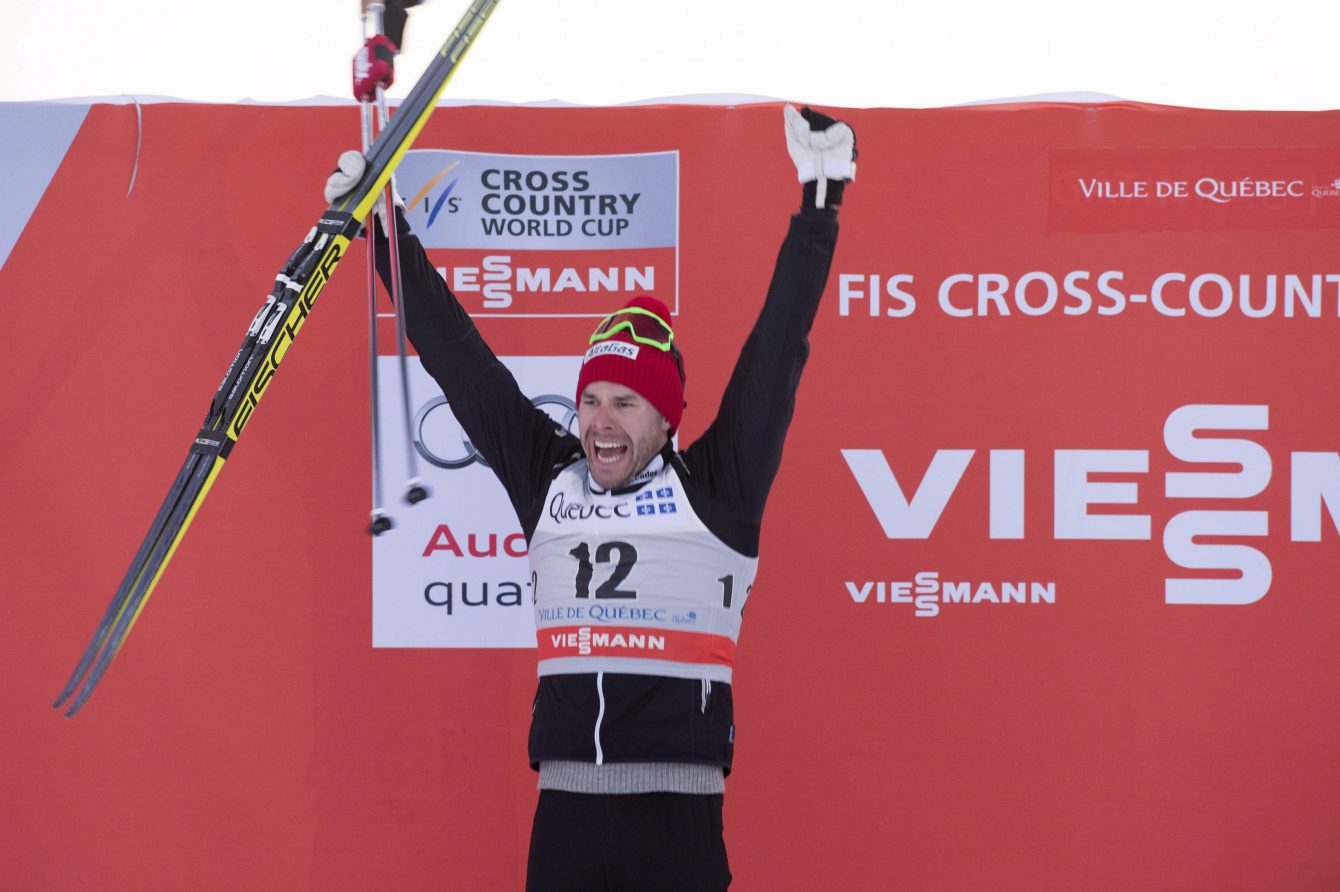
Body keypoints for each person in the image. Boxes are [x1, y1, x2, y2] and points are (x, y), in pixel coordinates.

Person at [326, 104, 855, 891]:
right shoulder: (549, 476)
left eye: (625, 403)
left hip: (678, 829)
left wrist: (821, 201)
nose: (600, 421)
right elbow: (456, 356)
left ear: (668, 416)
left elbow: (777, 350)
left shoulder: (718, 487)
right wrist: (384, 230)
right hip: (568, 821)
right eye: (592, 399)